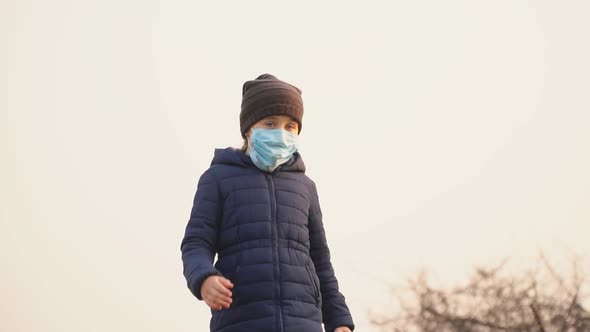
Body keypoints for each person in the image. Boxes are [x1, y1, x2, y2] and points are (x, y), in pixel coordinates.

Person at [180, 73, 355, 332]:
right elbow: (195, 244)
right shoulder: (217, 179)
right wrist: (203, 278)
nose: (280, 133)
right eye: (270, 123)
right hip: (240, 320)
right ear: (249, 129)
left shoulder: (305, 187)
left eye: (289, 126)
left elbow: (320, 261)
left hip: (303, 323)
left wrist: (339, 320)